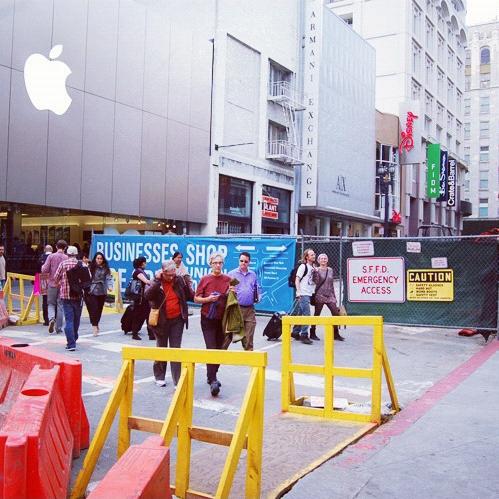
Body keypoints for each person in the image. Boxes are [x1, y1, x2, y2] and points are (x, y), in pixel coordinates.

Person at [144, 260, 192, 387]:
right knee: (161, 347)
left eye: (173, 274)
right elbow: (147, 295)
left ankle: (177, 380)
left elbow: (188, 295)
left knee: (176, 349)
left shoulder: (179, 280)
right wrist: (157, 281)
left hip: (177, 319)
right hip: (161, 320)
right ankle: (159, 376)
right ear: (162, 272)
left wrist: (188, 283)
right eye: (168, 275)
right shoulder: (155, 281)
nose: (171, 277)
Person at [194, 252, 234, 396]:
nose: (218, 265)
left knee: (220, 349)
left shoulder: (228, 279)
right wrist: (209, 299)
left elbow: (235, 295)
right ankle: (213, 379)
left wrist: (232, 292)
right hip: (207, 318)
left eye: (220, 263)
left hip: (222, 319)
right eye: (215, 263)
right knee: (211, 348)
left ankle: (211, 374)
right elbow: (196, 298)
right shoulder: (205, 279)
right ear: (210, 264)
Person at [228, 251, 261, 351]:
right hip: (236, 308)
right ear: (238, 261)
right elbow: (226, 290)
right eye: (241, 261)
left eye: (245, 261)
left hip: (250, 309)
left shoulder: (253, 274)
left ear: (249, 262)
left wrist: (259, 296)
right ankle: (219, 355)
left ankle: (249, 356)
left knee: (249, 336)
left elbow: (257, 287)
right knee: (229, 335)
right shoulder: (232, 274)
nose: (243, 263)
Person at [54, 246, 85, 351]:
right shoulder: (82, 264)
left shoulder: (63, 264)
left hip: (66, 296)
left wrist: (61, 282)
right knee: (76, 319)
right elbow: (87, 279)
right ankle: (74, 338)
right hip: (78, 296)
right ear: (76, 254)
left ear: (67, 254)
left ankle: (71, 343)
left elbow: (56, 277)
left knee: (69, 320)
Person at [310, 253, 344, 342]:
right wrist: (315, 272)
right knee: (317, 314)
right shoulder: (316, 270)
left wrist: (334, 297)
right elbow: (315, 281)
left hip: (330, 295)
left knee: (335, 313)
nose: (323, 260)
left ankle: (335, 333)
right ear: (318, 260)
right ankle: (312, 333)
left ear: (327, 260)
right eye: (321, 258)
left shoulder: (330, 270)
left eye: (325, 258)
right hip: (320, 295)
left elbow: (331, 283)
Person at [41, 239, 68, 334]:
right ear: (65, 248)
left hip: (52, 284)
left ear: (56, 247)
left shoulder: (51, 256)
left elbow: (44, 269)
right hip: (62, 285)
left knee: (51, 304)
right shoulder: (66, 258)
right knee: (60, 305)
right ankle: (59, 328)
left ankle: (51, 318)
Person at [291, 248, 317, 345]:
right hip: (303, 293)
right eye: (311, 255)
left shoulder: (313, 267)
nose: (313, 256)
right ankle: (304, 335)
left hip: (309, 293)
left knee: (300, 313)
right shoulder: (303, 266)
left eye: (314, 254)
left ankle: (295, 332)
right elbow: (297, 280)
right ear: (307, 257)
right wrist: (298, 292)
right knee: (307, 314)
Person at [86, 252, 113, 336]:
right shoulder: (90, 267)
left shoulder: (106, 268)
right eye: (98, 258)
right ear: (95, 259)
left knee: (99, 309)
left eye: (101, 258)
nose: (99, 260)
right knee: (93, 309)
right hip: (92, 290)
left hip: (102, 290)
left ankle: (96, 323)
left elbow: (109, 278)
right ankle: (94, 326)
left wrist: (110, 286)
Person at [130, 256, 152, 341]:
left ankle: (151, 334)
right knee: (139, 315)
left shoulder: (140, 271)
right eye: (145, 262)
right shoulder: (138, 272)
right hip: (140, 298)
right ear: (142, 263)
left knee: (146, 315)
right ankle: (135, 333)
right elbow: (146, 281)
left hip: (143, 297)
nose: (146, 264)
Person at [38, 244, 53, 325]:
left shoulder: (41, 258)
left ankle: (46, 320)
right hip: (53, 279)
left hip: (43, 279)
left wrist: (36, 282)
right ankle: (53, 318)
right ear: (52, 250)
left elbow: (37, 269)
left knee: (45, 300)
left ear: (44, 250)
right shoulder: (54, 257)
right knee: (54, 300)